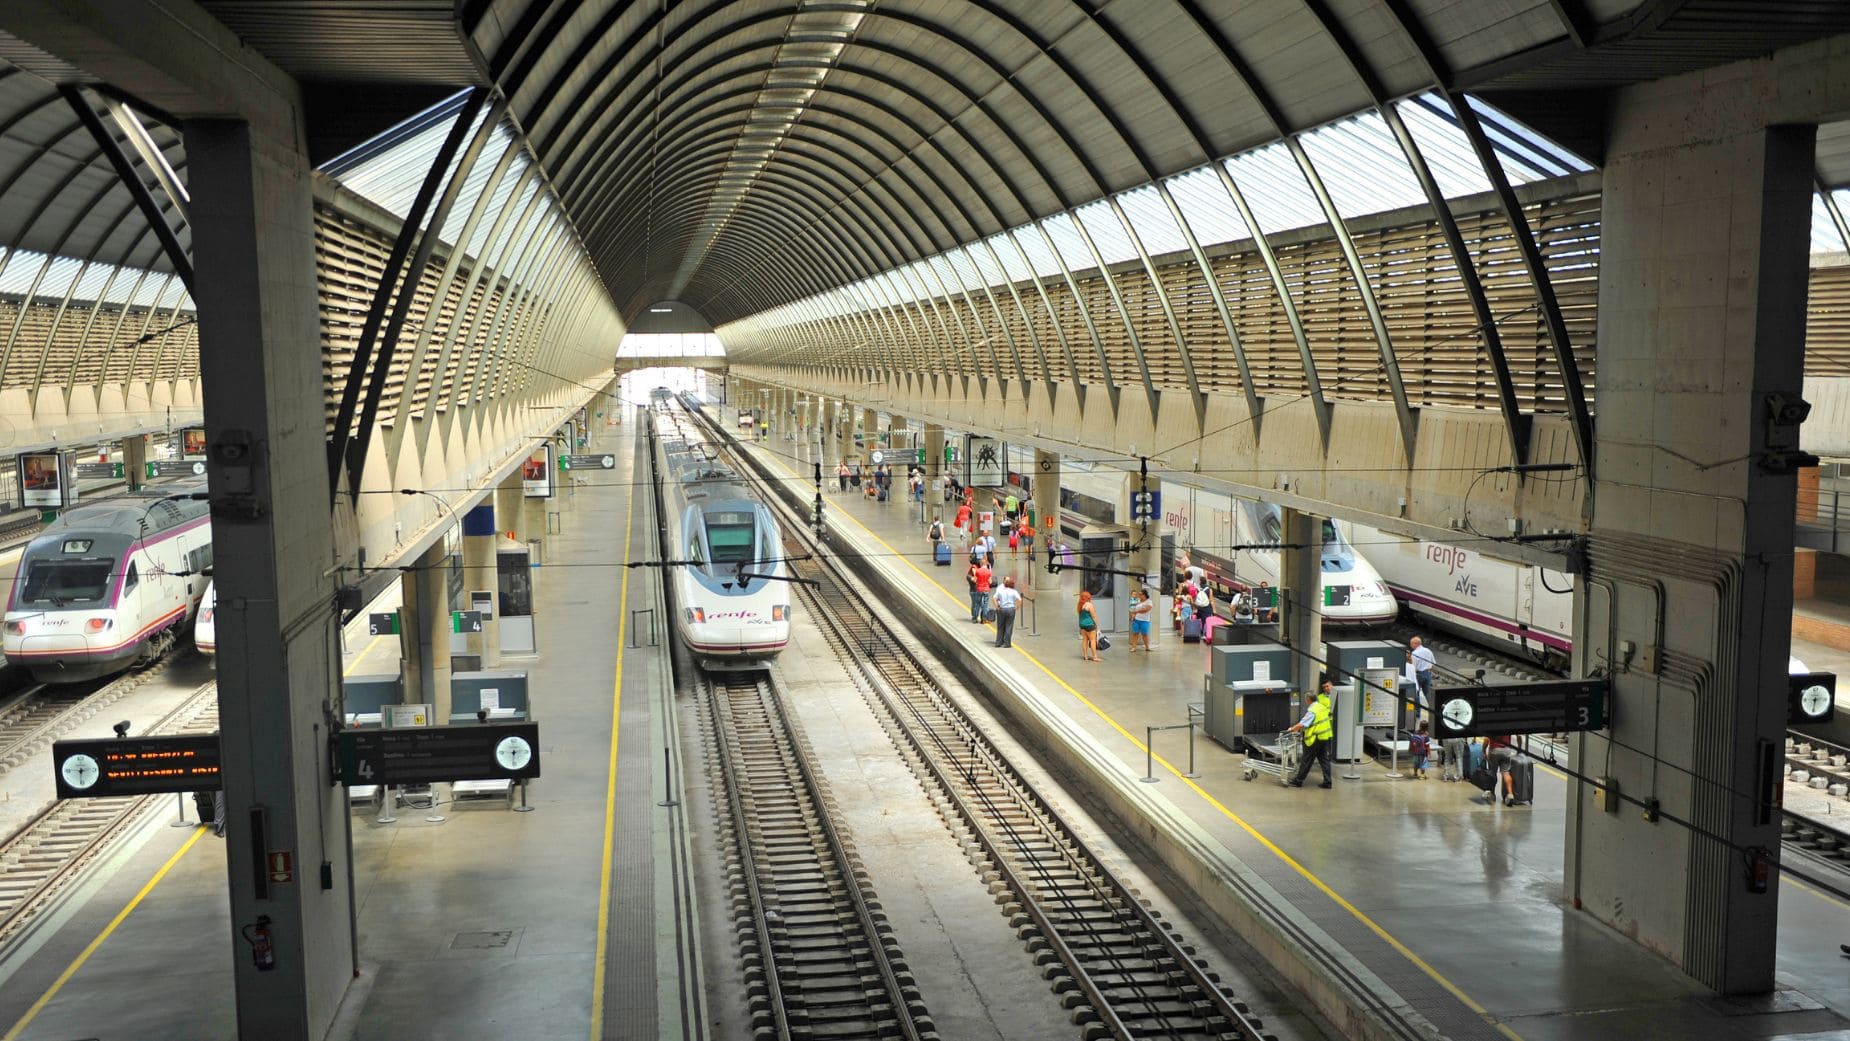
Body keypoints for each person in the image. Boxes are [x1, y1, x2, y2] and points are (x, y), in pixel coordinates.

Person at [1287, 679, 1336, 789]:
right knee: (1324, 760)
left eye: (1305, 699)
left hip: (1314, 739)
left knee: (1306, 760)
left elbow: (1302, 724)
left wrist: (1291, 729)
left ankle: (1298, 781)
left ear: (1308, 699)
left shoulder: (1312, 710)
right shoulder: (1321, 707)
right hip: (1325, 737)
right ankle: (1328, 782)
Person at [1485, 734, 1519, 805]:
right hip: (1506, 751)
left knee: (1492, 773)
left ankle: (1492, 794)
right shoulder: (1509, 723)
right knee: (1506, 773)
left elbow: (1486, 739)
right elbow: (1519, 736)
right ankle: (1510, 794)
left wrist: (1483, 750)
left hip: (1494, 750)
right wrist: (1519, 749)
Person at [992, 577, 1022, 647]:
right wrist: (1016, 607)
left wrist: (997, 606)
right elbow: (1019, 600)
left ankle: (998, 642)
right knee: (1009, 626)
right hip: (1011, 609)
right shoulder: (1014, 592)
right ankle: (1007, 643)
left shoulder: (1000, 591)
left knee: (1000, 626)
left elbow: (994, 598)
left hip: (1002, 609)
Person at [1409, 635, 1436, 707]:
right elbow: (1433, 663)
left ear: (1415, 644)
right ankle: (1433, 709)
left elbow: (1413, 667)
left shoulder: (1415, 653)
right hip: (1427, 673)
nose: (1410, 645)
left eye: (1411, 644)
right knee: (1427, 693)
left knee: (1416, 692)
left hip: (1418, 674)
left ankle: (1417, 712)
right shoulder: (1428, 651)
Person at [1076, 590, 1101, 661]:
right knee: (1093, 640)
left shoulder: (1080, 605)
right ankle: (1095, 657)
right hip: (1090, 625)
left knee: (1085, 640)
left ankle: (1085, 656)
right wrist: (1097, 626)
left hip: (1082, 625)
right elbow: (1093, 616)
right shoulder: (1089, 605)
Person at [1128, 587, 1154, 652]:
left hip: (1145, 621)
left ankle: (1147, 647)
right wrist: (1133, 615)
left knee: (1145, 634)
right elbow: (1133, 608)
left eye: (1140, 594)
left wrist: (1137, 611)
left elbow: (1146, 609)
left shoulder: (1149, 601)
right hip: (1136, 620)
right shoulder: (1138, 601)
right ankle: (1133, 647)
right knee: (1135, 633)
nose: (1139, 595)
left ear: (1144, 595)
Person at [969, 557, 993, 622]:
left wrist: (971, 579)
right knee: (985, 604)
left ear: (981, 564)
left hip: (979, 589)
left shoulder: (978, 571)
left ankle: (975, 618)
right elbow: (990, 582)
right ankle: (984, 619)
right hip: (986, 590)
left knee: (977, 604)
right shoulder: (988, 572)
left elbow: (975, 580)